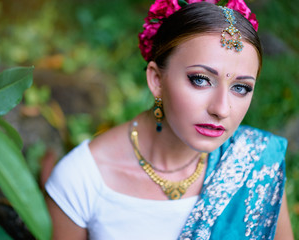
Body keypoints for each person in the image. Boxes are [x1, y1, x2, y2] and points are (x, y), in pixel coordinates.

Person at [44, 0, 294, 239]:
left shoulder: (258, 165)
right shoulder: (83, 180)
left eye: (240, 88)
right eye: (200, 79)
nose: (221, 109)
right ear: (156, 79)